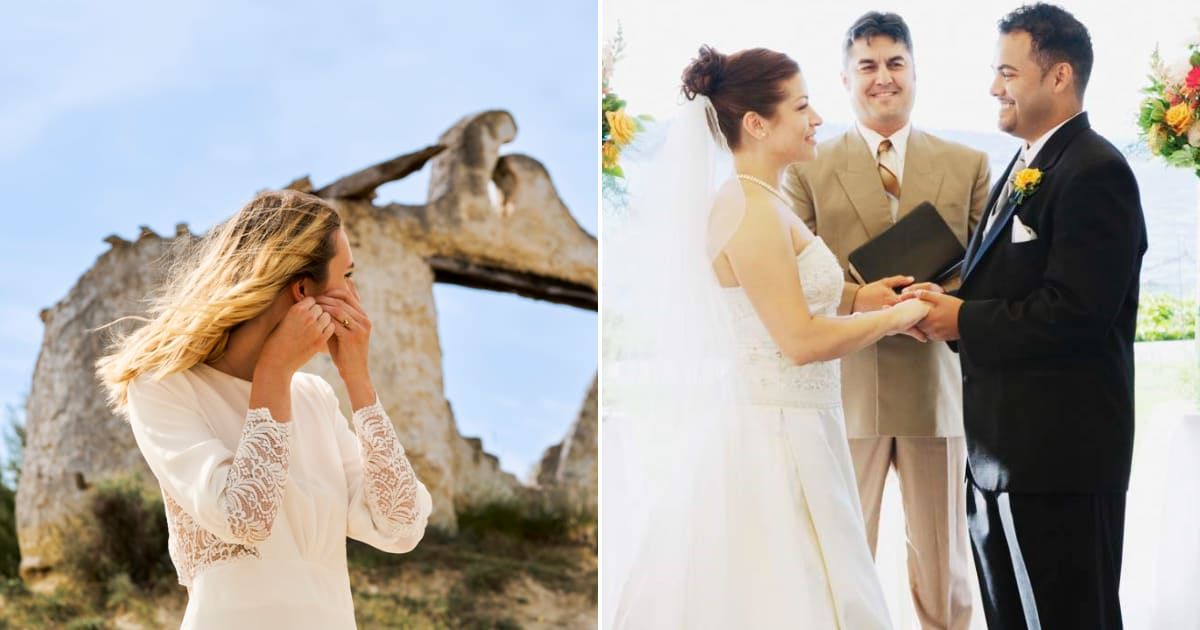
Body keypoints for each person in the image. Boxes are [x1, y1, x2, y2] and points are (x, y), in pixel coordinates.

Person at [603, 44, 929, 629]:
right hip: (776, 435)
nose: (817, 118)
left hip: (803, 422)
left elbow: (779, 293)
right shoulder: (748, 208)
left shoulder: (764, 198)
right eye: (801, 107)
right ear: (756, 123)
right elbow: (799, 341)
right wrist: (898, 318)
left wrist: (861, 298)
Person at [906, 4, 1146, 628]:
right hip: (1005, 458)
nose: (994, 87)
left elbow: (1077, 314)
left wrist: (963, 321)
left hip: (1055, 463)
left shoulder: (1095, 171)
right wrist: (943, 306)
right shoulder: (1028, 164)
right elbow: (1010, 283)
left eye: (1008, 73)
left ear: (1059, 75)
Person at [96, 190, 433, 629]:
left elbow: (401, 528)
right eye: (347, 275)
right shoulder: (163, 388)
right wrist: (274, 370)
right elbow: (245, 517)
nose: (354, 293)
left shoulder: (315, 397)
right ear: (302, 291)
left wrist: (358, 380)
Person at [783, 12, 989, 629]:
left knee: (945, 566)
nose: (883, 78)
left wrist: (930, 302)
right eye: (867, 66)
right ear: (845, 79)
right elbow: (792, 277)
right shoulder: (806, 170)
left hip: (936, 387)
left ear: (915, 71)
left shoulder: (969, 164)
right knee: (842, 562)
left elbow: (987, 268)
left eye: (895, 63)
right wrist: (861, 299)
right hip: (847, 387)